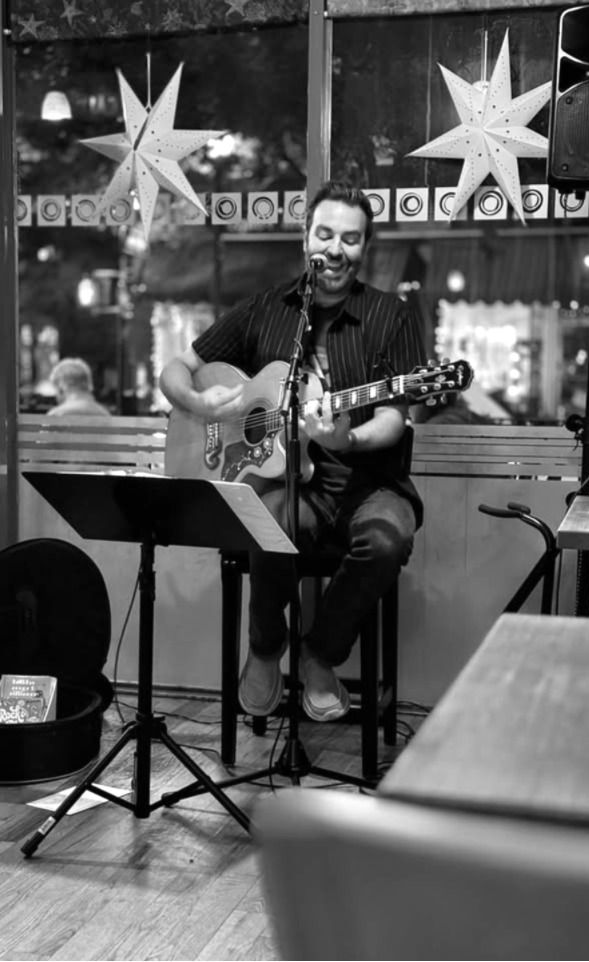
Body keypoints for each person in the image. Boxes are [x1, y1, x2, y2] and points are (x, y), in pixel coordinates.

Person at [159, 180, 426, 722]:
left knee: (387, 539)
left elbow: (394, 419)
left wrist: (345, 438)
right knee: (265, 524)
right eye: (324, 234)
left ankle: (319, 654)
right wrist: (202, 403)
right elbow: (175, 369)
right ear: (305, 238)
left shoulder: (391, 316)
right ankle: (264, 648)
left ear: (365, 248)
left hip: (369, 483)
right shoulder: (266, 310)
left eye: (350, 239)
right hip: (288, 483)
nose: (335, 249)